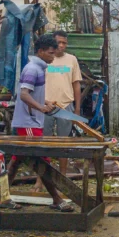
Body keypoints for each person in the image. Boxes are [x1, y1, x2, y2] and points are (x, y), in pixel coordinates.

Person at [4, 33, 75, 212]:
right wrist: (40, 108)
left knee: (16, 162)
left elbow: (33, 93)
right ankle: (57, 199)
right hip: (28, 123)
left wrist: (45, 102)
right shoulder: (32, 69)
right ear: (41, 51)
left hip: (32, 121)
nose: (53, 56)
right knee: (43, 160)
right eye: (51, 53)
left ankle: (3, 197)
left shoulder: (39, 67)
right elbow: (24, 94)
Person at [44, 30, 82, 178]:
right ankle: (43, 178)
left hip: (66, 105)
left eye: (64, 43)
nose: (61, 45)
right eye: (58, 42)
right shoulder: (46, 59)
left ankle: (63, 176)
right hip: (45, 107)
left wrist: (77, 108)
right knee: (44, 143)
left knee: (64, 143)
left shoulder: (72, 60)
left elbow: (76, 84)